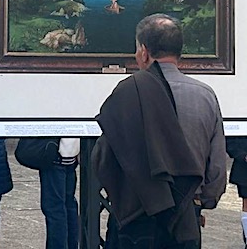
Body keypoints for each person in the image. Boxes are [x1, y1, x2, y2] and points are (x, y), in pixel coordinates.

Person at [94, 13, 226, 249]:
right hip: (185, 218)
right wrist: (200, 203)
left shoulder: (128, 92)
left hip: (136, 219)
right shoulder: (205, 96)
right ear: (179, 51)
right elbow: (216, 166)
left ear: (144, 51)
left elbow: (104, 159)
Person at [39, 138, 80, 249]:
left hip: (56, 156)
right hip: (71, 154)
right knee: (69, 205)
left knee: (55, 209)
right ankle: (72, 245)